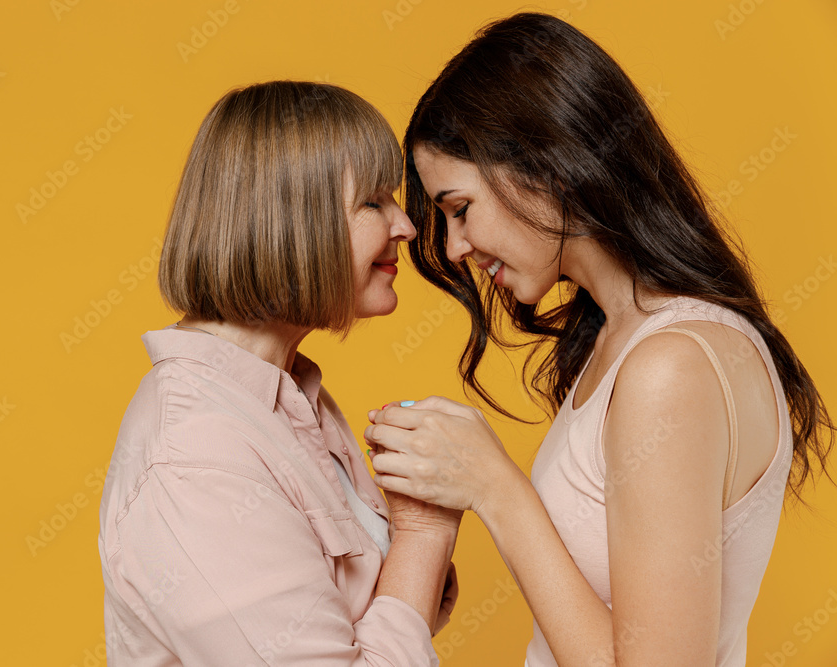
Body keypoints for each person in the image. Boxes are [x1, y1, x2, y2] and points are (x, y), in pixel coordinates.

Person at [363, 12, 834, 666]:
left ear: (545, 164)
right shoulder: (624, 342)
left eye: (460, 209)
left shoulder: (671, 367)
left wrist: (495, 486)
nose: (455, 247)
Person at [97, 80, 461, 666]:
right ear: (292, 222)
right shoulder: (197, 457)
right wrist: (426, 532)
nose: (407, 227)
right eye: (373, 201)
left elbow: (374, 619)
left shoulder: (290, 396)